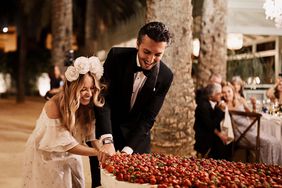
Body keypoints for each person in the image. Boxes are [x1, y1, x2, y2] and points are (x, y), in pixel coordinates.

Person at [89, 21, 173, 187]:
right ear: (137, 44)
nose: (150, 59)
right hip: (108, 131)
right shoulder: (116, 56)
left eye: (158, 54)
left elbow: (149, 118)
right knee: (101, 184)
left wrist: (128, 151)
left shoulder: (166, 76)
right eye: (146, 52)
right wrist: (107, 139)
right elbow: (102, 98)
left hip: (136, 141)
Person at [22, 56, 110, 188]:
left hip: (71, 152)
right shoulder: (54, 105)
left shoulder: (89, 105)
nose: (89, 94)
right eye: (83, 89)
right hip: (46, 154)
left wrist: (103, 151)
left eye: (92, 88)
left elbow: (92, 137)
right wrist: (98, 153)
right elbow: (67, 145)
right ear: (73, 87)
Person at [222, 82, 282, 165]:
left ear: (233, 92)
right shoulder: (223, 106)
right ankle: (267, 167)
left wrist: (253, 105)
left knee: (277, 142)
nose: (227, 94)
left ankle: (276, 167)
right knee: (270, 143)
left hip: (252, 130)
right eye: (224, 92)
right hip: (241, 135)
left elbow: (252, 117)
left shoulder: (240, 101)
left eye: (228, 91)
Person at [194, 83, 232, 160]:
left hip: (210, 133)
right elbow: (210, 125)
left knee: (228, 142)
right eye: (218, 94)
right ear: (211, 96)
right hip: (204, 138)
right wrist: (221, 111)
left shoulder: (213, 103)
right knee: (221, 145)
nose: (221, 95)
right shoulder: (203, 106)